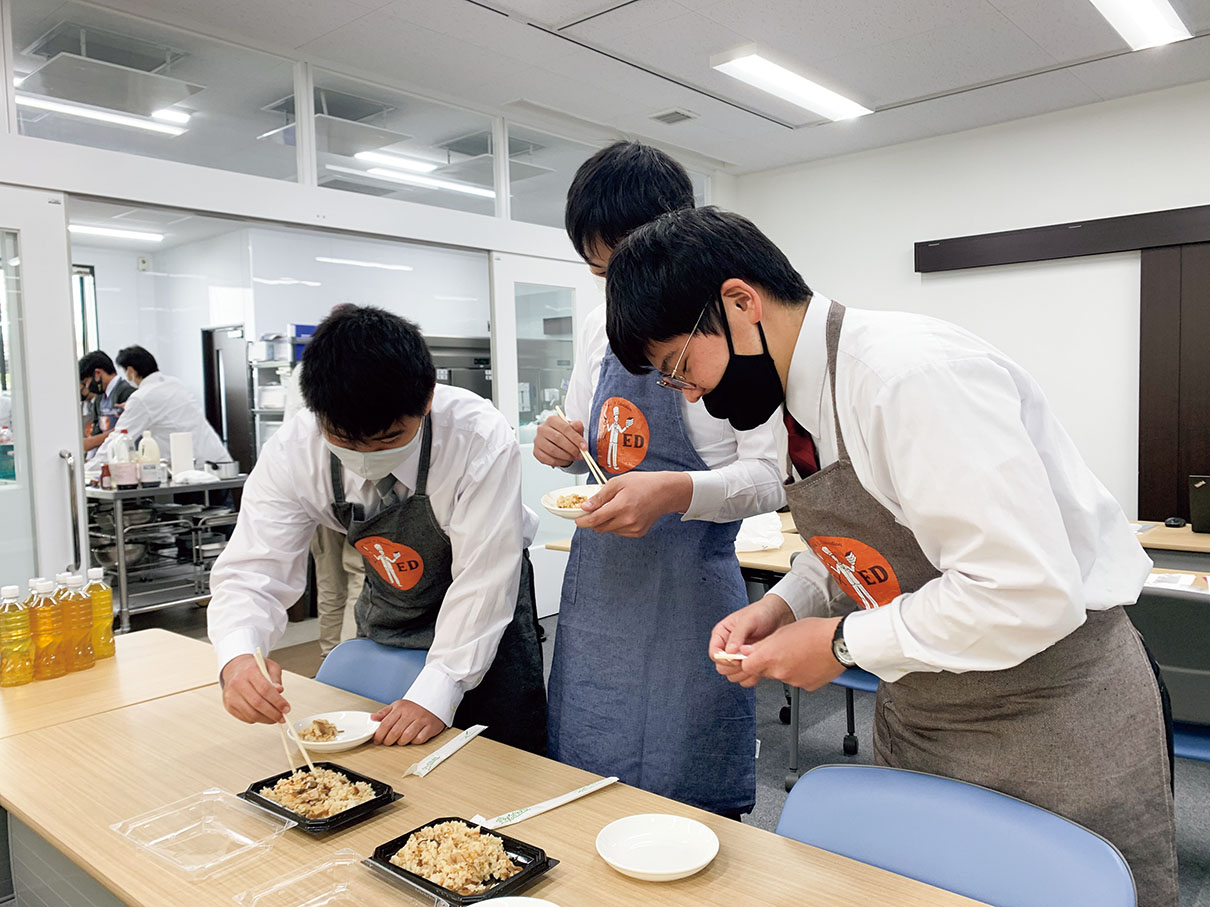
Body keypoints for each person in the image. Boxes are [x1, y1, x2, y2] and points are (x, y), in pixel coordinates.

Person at [603, 206, 1178, 904]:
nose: (689, 392)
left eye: (680, 364)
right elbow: (861, 539)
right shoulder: (789, 402)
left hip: (1050, 711)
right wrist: (784, 604)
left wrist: (841, 642)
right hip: (923, 712)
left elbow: (1024, 591)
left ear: (740, 302)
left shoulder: (905, 377)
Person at [535, 142, 785, 818]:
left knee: (685, 793)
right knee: (584, 783)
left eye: (627, 265)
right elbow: (589, 444)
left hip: (690, 596)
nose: (619, 289)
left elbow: (772, 474)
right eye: (601, 271)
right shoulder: (596, 328)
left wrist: (677, 492)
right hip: (602, 593)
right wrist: (559, 443)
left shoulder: (732, 332)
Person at [208, 306, 546, 753]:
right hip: (393, 601)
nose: (366, 457)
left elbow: (484, 581)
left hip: (487, 609)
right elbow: (254, 569)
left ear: (426, 400)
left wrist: (437, 692)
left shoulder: (476, 437)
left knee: (504, 755)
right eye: (344, 441)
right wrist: (238, 656)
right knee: (382, 760)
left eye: (388, 439)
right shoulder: (294, 451)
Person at [283, 357, 366, 659]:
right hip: (354, 486)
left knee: (331, 583)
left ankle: (330, 661)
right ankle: (347, 664)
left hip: (314, 489)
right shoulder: (362, 369)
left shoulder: (304, 370)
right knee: (361, 576)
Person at [94, 346, 231, 467]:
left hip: (191, 469)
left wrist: (88, 469)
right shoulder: (175, 383)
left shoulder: (141, 398)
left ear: (131, 371)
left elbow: (119, 439)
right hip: (218, 461)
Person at [78, 351, 135, 453]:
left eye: (86, 382)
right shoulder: (99, 399)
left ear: (98, 373)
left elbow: (128, 429)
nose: (87, 387)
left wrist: (90, 442)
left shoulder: (127, 392)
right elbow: (96, 432)